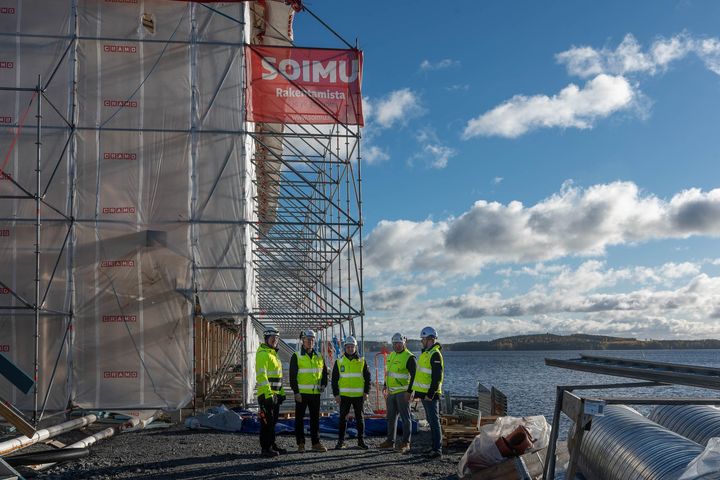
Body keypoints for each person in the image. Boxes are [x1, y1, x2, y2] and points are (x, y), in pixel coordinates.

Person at [289, 329, 329, 453]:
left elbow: (324, 372)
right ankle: (301, 443)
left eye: (312, 340)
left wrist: (323, 384)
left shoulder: (318, 356)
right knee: (299, 419)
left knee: (315, 419)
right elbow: (292, 376)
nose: (310, 342)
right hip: (302, 394)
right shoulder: (297, 356)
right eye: (308, 340)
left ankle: (315, 443)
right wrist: (296, 392)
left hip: (315, 394)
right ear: (303, 341)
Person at [378, 332, 416, 453]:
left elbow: (415, 376)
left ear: (404, 343)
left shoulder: (409, 357)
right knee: (391, 418)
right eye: (395, 343)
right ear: (392, 344)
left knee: (406, 418)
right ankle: (390, 441)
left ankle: (406, 442)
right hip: (391, 392)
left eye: (399, 343)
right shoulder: (391, 355)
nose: (397, 345)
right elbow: (389, 373)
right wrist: (385, 385)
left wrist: (409, 391)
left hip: (403, 392)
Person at [331, 335, 371, 450]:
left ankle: (361, 441)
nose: (350, 349)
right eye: (348, 347)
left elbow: (368, 378)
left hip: (358, 396)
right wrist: (336, 394)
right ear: (345, 348)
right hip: (344, 396)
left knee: (360, 419)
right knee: (342, 419)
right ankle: (341, 442)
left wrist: (366, 392)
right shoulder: (339, 362)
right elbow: (334, 380)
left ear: (355, 347)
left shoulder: (362, 361)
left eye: (352, 346)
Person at [411, 326, 444, 459]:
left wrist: (430, 393)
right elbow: (422, 375)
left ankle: (437, 449)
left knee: (434, 422)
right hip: (425, 394)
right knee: (431, 421)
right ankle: (434, 446)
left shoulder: (435, 354)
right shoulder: (427, 353)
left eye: (423, 339)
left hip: (431, 395)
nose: (421, 341)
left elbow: (437, 377)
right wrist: (418, 393)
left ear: (430, 339)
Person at [255, 326, 287, 457]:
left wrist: (281, 393)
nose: (275, 340)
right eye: (272, 338)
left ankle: (272, 444)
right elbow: (262, 376)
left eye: (276, 338)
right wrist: (268, 394)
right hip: (266, 395)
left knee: (272, 422)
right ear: (267, 339)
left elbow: (278, 377)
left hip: (274, 395)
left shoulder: (274, 354)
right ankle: (265, 448)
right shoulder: (263, 354)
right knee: (266, 423)